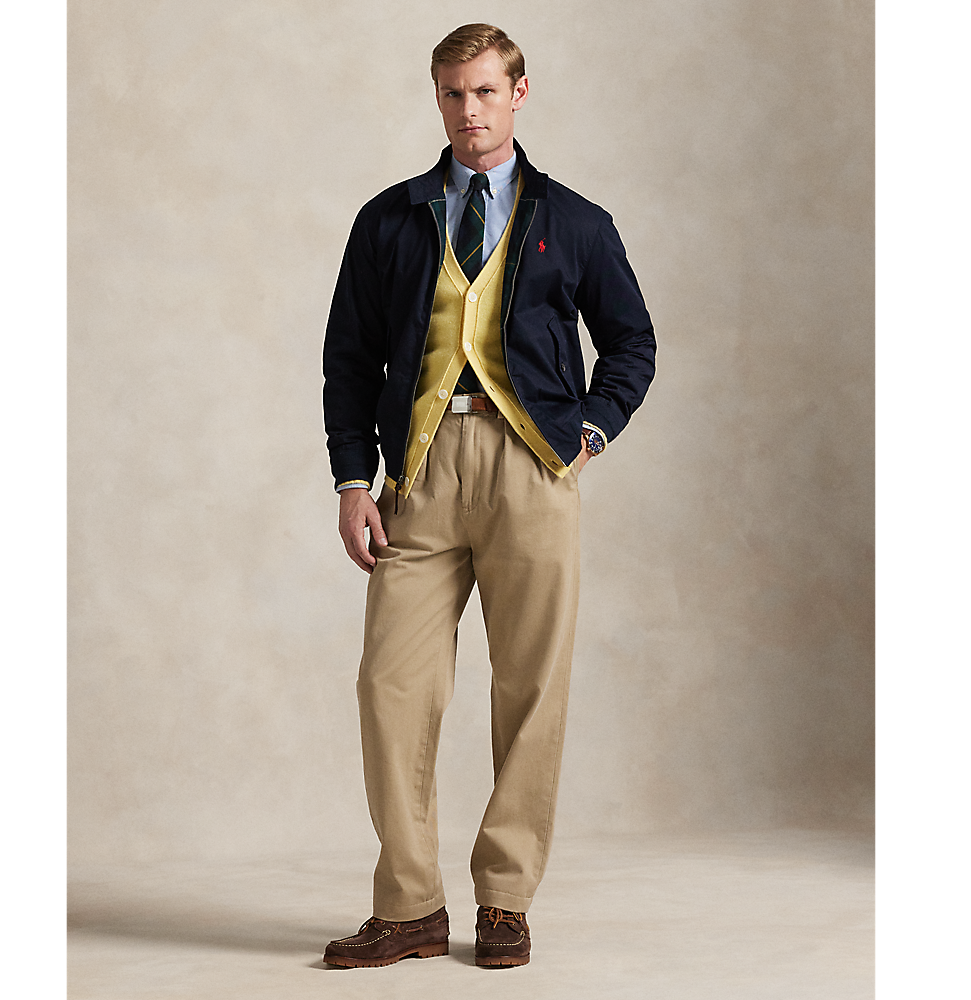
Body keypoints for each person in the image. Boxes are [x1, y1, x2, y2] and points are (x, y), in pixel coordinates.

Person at [321, 23, 655, 969]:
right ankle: (410, 907)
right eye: (453, 93)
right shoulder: (389, 220)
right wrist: (354, 479)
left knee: (532, 686)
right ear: (437, 98)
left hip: (532, 471)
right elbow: (349, 359)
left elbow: (632, 343)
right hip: (418, 473)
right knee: (390, 686)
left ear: (519, 94)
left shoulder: (576, 220)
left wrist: (589, 432)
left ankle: (504, 899)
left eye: (485, 91)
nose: (469, 110)